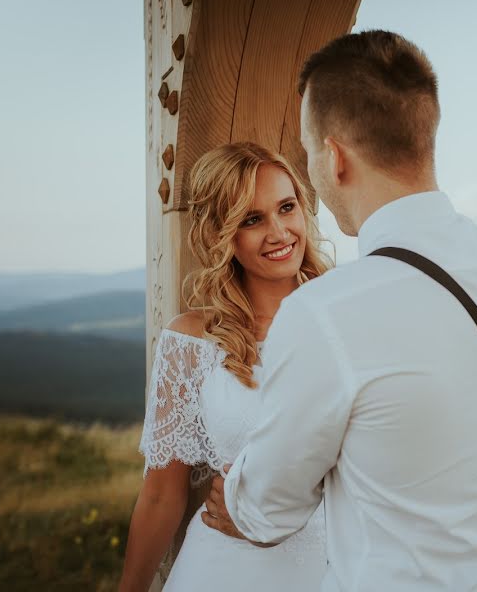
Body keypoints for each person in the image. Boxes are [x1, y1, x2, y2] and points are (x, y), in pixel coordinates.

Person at [202, 30, 477, 591]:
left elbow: (267, 510)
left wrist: (241, 496)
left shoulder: (326, 312)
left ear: (334, 157)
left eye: (307, 149)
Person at [118, 142, 334, 591]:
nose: (278, 232)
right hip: (220, 570)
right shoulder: (191, 340)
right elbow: (161, 495)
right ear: (223, 234)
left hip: (331, 568)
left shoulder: (346, 318)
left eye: (286, 207)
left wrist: (262, 518)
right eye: (252, 219)